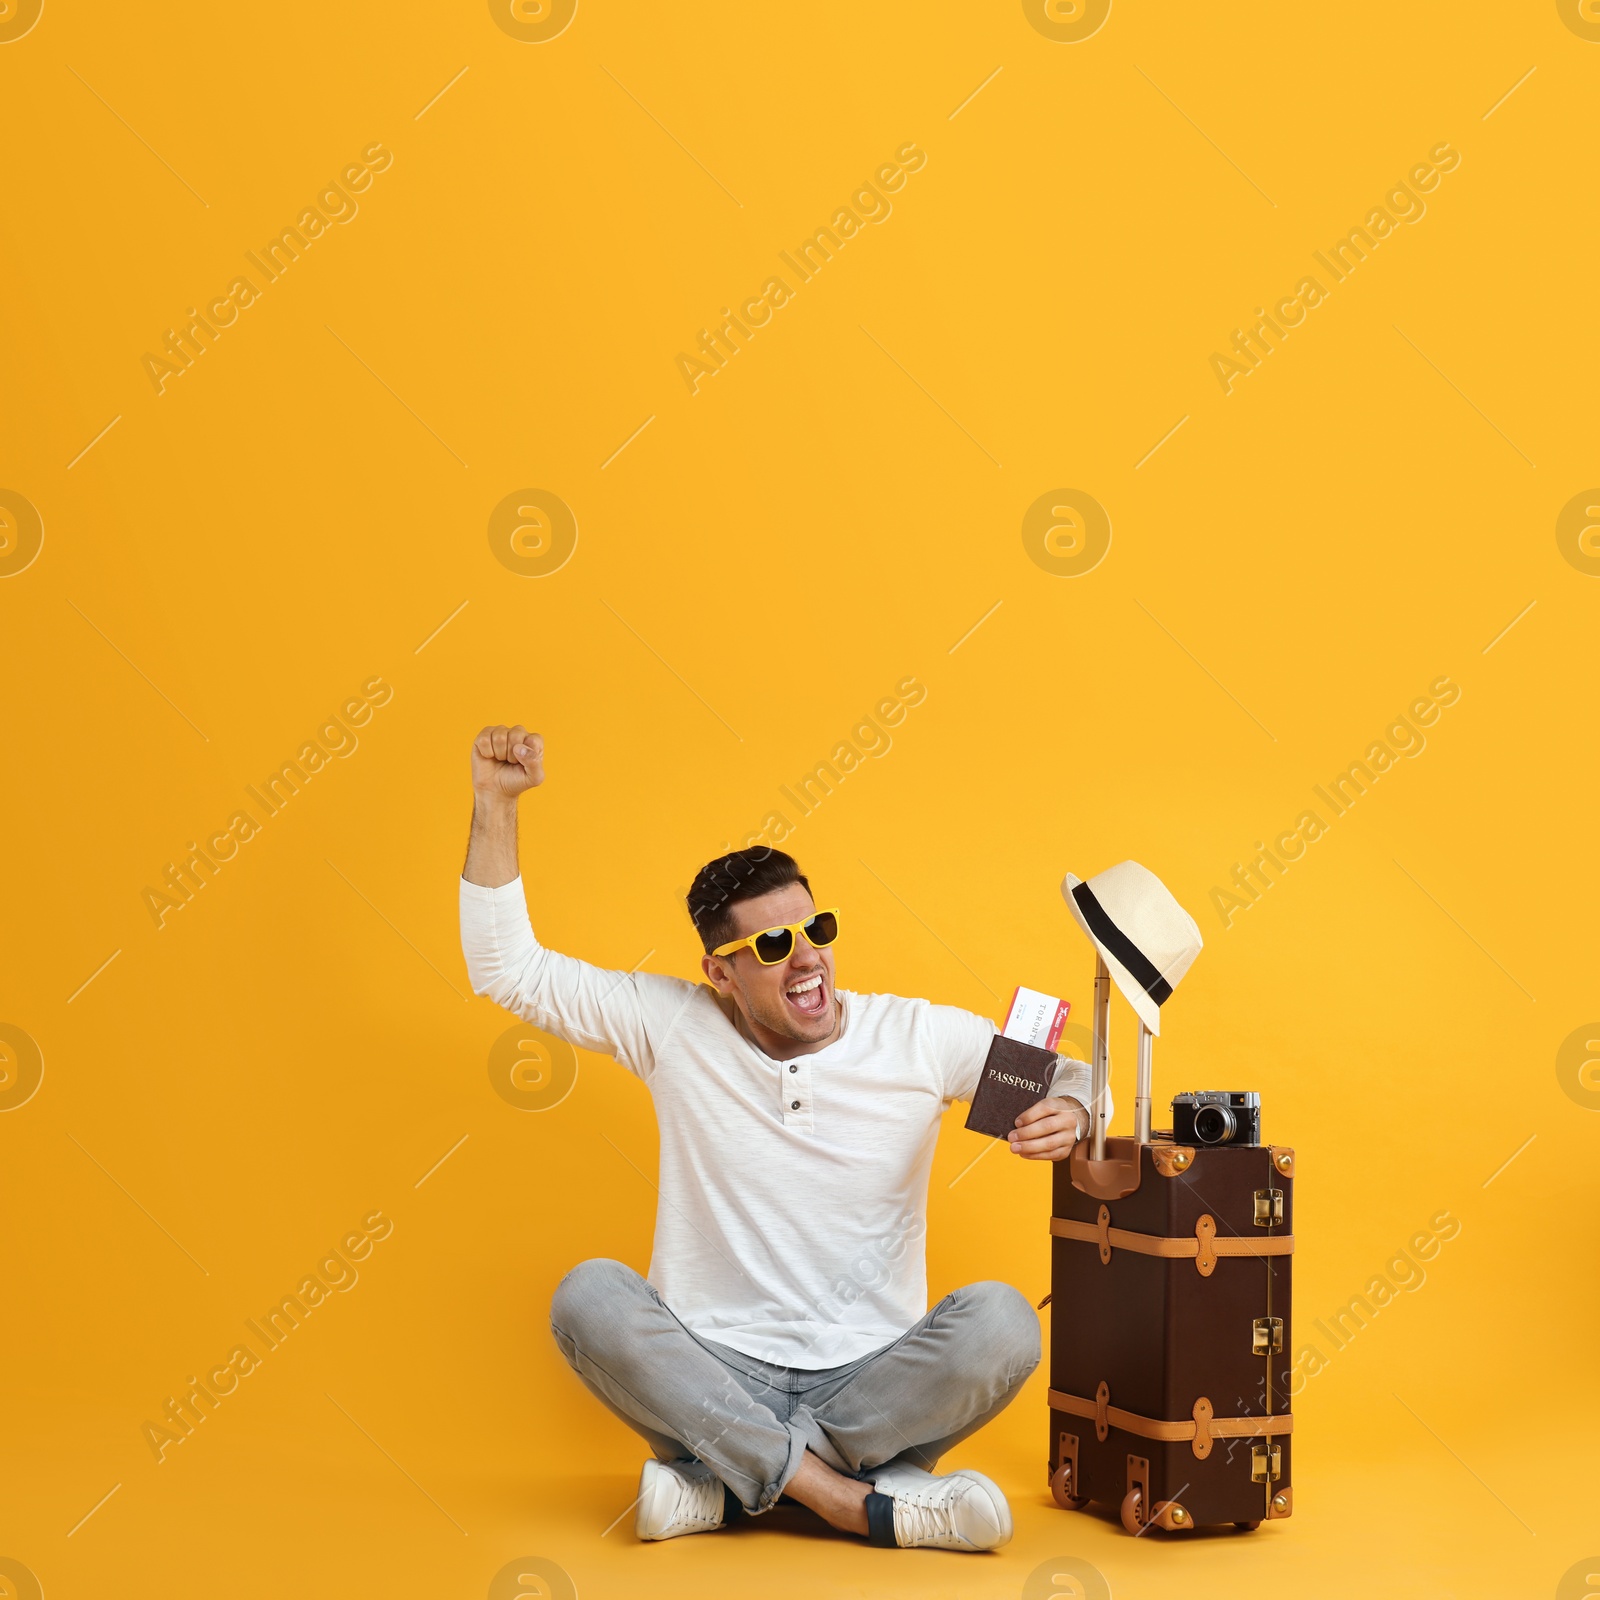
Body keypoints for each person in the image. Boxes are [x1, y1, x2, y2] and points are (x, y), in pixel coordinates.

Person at [459, 724, 1101, 1552]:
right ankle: (849, 1502)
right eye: (771, 944)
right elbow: (507, 970)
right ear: (720, 973)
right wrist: (493, 802)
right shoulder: (672, 1026)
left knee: (1007, 1324)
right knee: (588, 1297)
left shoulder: (916, 1037)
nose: (807, 959)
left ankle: (730, 1490)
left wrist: (1079, 1110)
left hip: (873, 1383)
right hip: (714, 1372)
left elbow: (1082, 1075)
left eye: (817, 929)